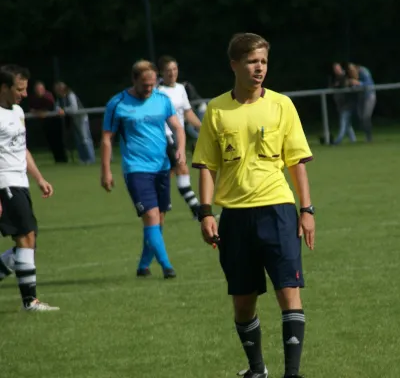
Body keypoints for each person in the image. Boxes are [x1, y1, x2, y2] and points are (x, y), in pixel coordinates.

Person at [192, 33, 315, 378]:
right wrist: (205, 213)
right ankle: (256, 369)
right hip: (235, 218)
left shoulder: (281, 105)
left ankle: (292, 373)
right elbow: (206, 166)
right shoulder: (216, 110)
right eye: (251, 61)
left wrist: (306, 211)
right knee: (243, 302)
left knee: (288, 292)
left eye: (262, 61)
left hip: (277, 209)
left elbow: (296, 162)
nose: (258, 68)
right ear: (234, 65)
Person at [100, 60, 186, 279]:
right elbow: (107, 139)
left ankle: (143, 265)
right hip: (136, 167)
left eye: (152, 84)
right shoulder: (117, 103)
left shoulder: (162, 100)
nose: (149, 89)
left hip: (162, 166)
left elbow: (177, 127)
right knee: (150, 215)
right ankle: (167, 266)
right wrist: (106, 170)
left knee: (159, 219)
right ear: (134, 80)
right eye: (144, 85)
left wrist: (181, 150)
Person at [0, 64, 59, 311]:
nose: (24, 94)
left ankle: (29, 301)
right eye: (19, 89)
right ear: (3, 87)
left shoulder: (17, 112)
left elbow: (22, 149)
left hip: (20, 182)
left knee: (29, 239)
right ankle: (30, 301)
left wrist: (39, 178)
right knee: (25, 236)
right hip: (4, 182)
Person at [157, 55, 203, 219]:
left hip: (178, 136)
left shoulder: (180, 89)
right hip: (164, 136)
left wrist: (202, 128)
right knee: (181, 167)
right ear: (161, 72)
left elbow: (187, 112)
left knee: (170, 172)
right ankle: (196, 210)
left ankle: (159, 205)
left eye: (175, 69)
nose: (172, 73)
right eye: (168, 70)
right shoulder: (158, 92)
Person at [54, 81, 95, 164]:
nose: (57, 92)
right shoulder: (60, 98)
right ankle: (83, 159)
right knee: (78, 139)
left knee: (85, 139)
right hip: (74, 119)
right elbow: (56, 107)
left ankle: (90, 159)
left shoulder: (70, 95)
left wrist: (64, 110)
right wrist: (59, 110)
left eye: (58, 90)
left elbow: (74, 108)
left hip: (81, 118)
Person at [29, 81, 68, 163]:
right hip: (45, 124)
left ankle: (63, 159)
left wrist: (42, 112)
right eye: (37, 89)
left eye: (41, 89)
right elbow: (32, 109)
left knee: (58, 141)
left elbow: (51, 108)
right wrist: (38, 113)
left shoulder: (48, 96)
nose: (39, 91)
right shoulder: (33, 98)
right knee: (51, 142)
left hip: (55, 123)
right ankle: (57, 160)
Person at [347, 62, 376, 142]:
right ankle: (367, 135)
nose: (351, 71)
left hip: (369, 95)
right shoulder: (351, 74)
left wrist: (358, 83)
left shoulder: (363, 71)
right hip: (361, 97)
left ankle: (369, 137)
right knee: (360, 116)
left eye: (352, 69)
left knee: (366, 116)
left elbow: (369, 83)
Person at [330, 62, 357, 145]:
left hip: (347, 104)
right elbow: (332, 86)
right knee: (347, 124)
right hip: (341, 105)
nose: (336, 70)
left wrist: (337, 85)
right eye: (335, 69)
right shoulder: (335, 78)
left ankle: (337, 141)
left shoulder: (345, 76)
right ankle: (353, 140)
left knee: (343, 123)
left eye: (337, 68)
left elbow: (345, 85)